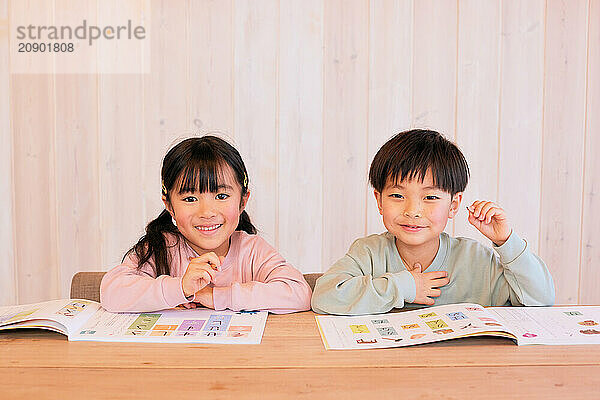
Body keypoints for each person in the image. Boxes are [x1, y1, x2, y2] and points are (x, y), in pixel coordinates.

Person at [312, 129, 555, 315]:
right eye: (397, 195)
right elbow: (324, 296)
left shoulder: (475, 260)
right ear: (379, 200)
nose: (413, 211)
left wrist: (506, 242)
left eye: (430, 197)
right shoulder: (368, 253)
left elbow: (541, 300)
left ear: (454, 205)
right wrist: (404, 287)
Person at [101, 135, 312, 313]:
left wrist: (218, 296)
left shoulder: (252, 250)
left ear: (242, 201)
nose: (207, 212)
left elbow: (299, 293)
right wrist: (180, 288)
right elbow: (112, 292)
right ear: (169, 205)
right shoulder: (160, 248)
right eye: (190, 199)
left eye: (221, 196)